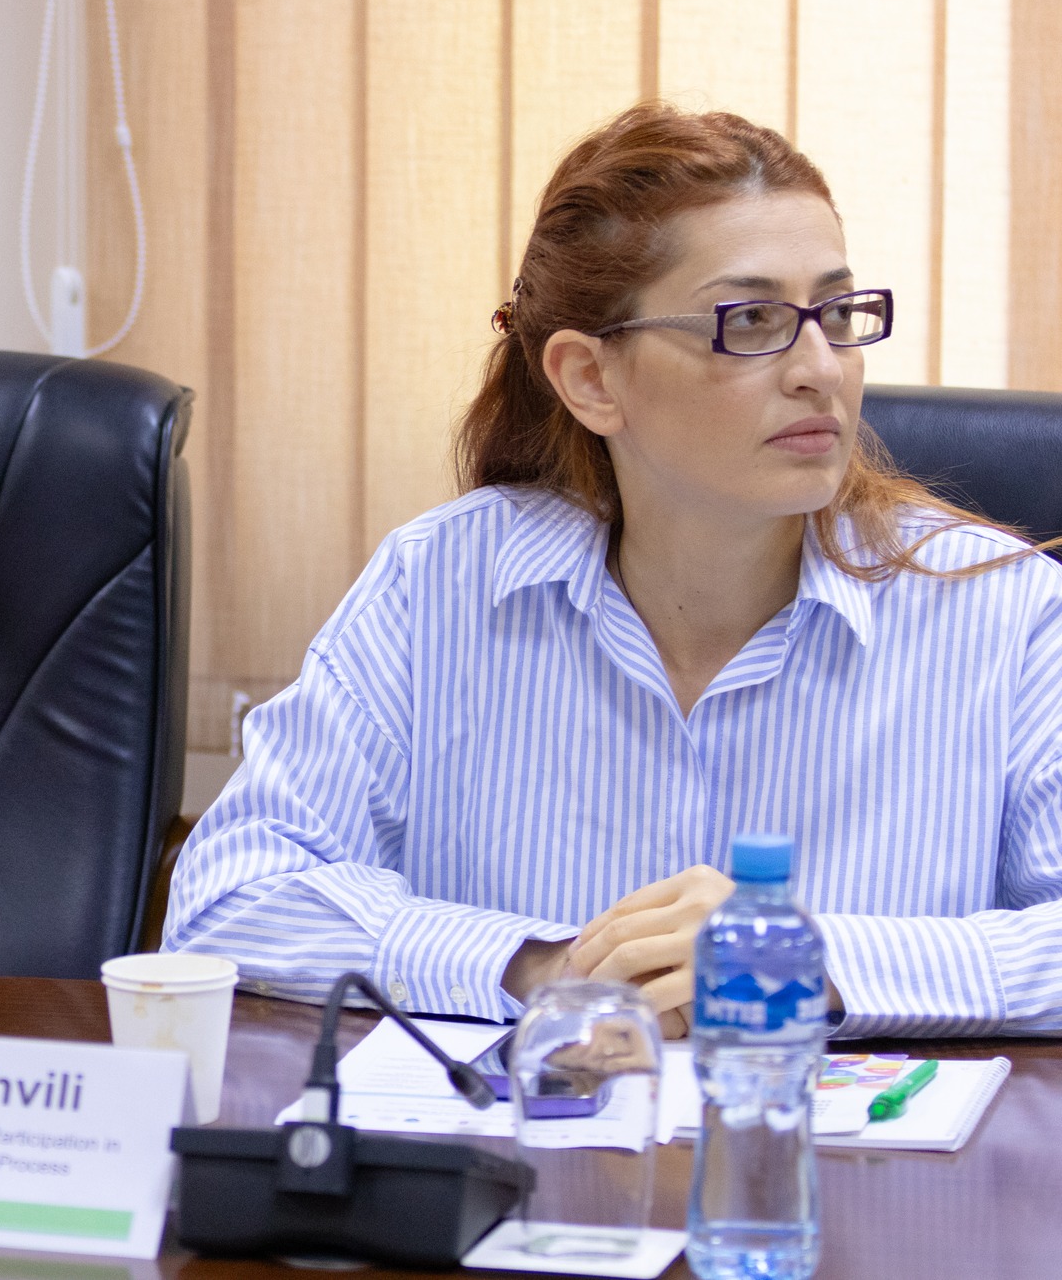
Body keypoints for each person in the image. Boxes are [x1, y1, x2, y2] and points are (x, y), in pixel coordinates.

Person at [165, 102, 1062, 1039]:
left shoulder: (1005, 609)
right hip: (534, 1132)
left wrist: (804, 961)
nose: (821, 370)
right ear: (591, 378)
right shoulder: (441, 585)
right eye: (753, 320)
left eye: (837, 314)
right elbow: (231, 893)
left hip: (837, 1136)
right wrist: (548, 967)